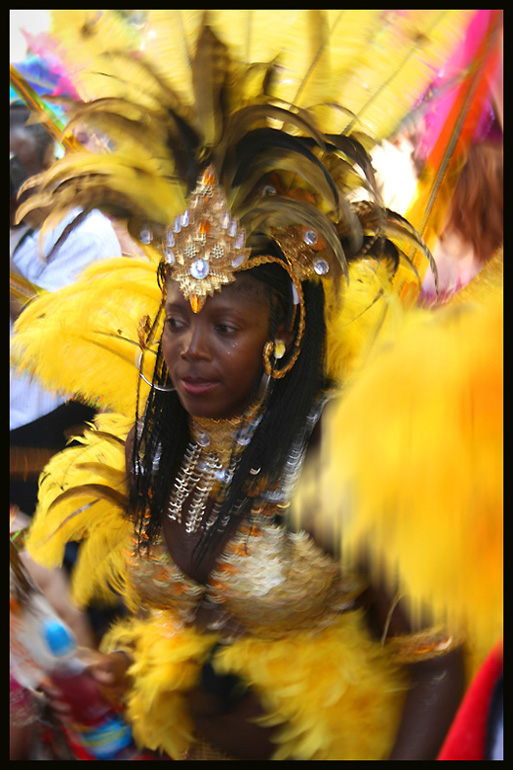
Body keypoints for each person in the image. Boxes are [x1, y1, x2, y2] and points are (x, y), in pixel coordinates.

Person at [13, 11, 472, 761]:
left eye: (224, 327)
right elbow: (185, 627)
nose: (190, 349)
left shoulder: (339, 452)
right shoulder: (154, 444)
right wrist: (124, 672)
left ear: (281, 334)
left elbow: (435, 659)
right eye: (177, 321)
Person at [10, 102, 122, 517]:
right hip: (16, 418)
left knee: (53, 548)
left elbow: (42, 319)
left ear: (45, 164)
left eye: (16, 164)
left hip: (46, 427)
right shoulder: (23, 234)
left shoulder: (87, 233)